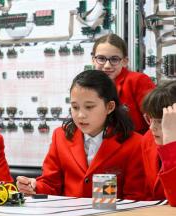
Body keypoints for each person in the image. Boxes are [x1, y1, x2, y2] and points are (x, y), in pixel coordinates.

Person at [17, 70, 145, 200]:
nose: (80, 115)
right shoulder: (61, 136)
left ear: (110, 107)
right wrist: (33, 187)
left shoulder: (134, 144)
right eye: (75, 107)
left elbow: (135, 198)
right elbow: (50, 184)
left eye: (89, 107)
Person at [92, 33, 156, 134]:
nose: (107, 65)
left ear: (125, 61)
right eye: (101, 58)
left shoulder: (138, 81)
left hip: (139, 146)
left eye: (114, 59)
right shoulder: (89, 87)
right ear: (93, 60)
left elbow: (157, 122)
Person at [141, 80, 176, 206]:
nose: (151, 127)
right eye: (149, 119)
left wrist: (171, 144)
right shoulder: (148, 139)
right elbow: (148, 194)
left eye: (160, 121)